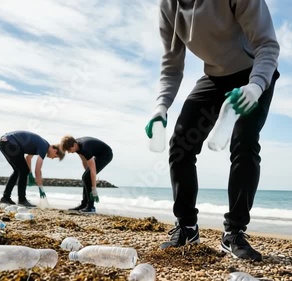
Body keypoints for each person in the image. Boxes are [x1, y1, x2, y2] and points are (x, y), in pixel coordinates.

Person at [145, 0, 280, 261]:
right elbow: (172, 63)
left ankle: (234, 232)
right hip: (215, 78)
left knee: (244, 142)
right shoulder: (168, 6)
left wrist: (255, 87)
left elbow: (267, 45)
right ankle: (187, 228)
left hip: (255, 73)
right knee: (181, 145)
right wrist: (161, 106)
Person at [0, 130, 64, 207]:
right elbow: (38, 170)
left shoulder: (42, 144)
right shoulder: (44, 147)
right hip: (10, 143)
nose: (53, 158)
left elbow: (28, 158)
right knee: (22, 170)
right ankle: (22, 200)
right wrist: (41, 188)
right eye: (55, 156)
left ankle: (6, 198)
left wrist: (30, 174)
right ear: (55, 150)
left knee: (18, 170)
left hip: (4, 142)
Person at [60, 136, 113, 213]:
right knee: (86, 177)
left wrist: (94, 189)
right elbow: (84, 160)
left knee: (86, 177)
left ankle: (91, 207)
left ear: (74, 145)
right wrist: (87, 175)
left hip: (106, 154)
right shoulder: (77, 146)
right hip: (98, 154)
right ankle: (84, 204)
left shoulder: (85, 148)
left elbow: (93, 170)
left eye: (69, 150)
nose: (69, 152)